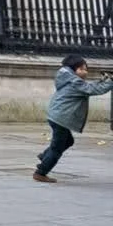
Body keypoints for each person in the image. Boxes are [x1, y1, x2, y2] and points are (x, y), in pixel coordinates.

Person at [33, 52, 113, 182]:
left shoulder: (68, 78)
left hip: (56, 116)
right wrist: (110, 82)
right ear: (73, 69)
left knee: (68, 141)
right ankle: (40, 172)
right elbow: (93, 90)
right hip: (61, 118)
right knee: (57, 148)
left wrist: (103, 81)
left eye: (86, 69)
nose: (86, 72)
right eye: (82, 69)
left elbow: (89, 86)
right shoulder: (75, 82)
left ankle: (45, 156)